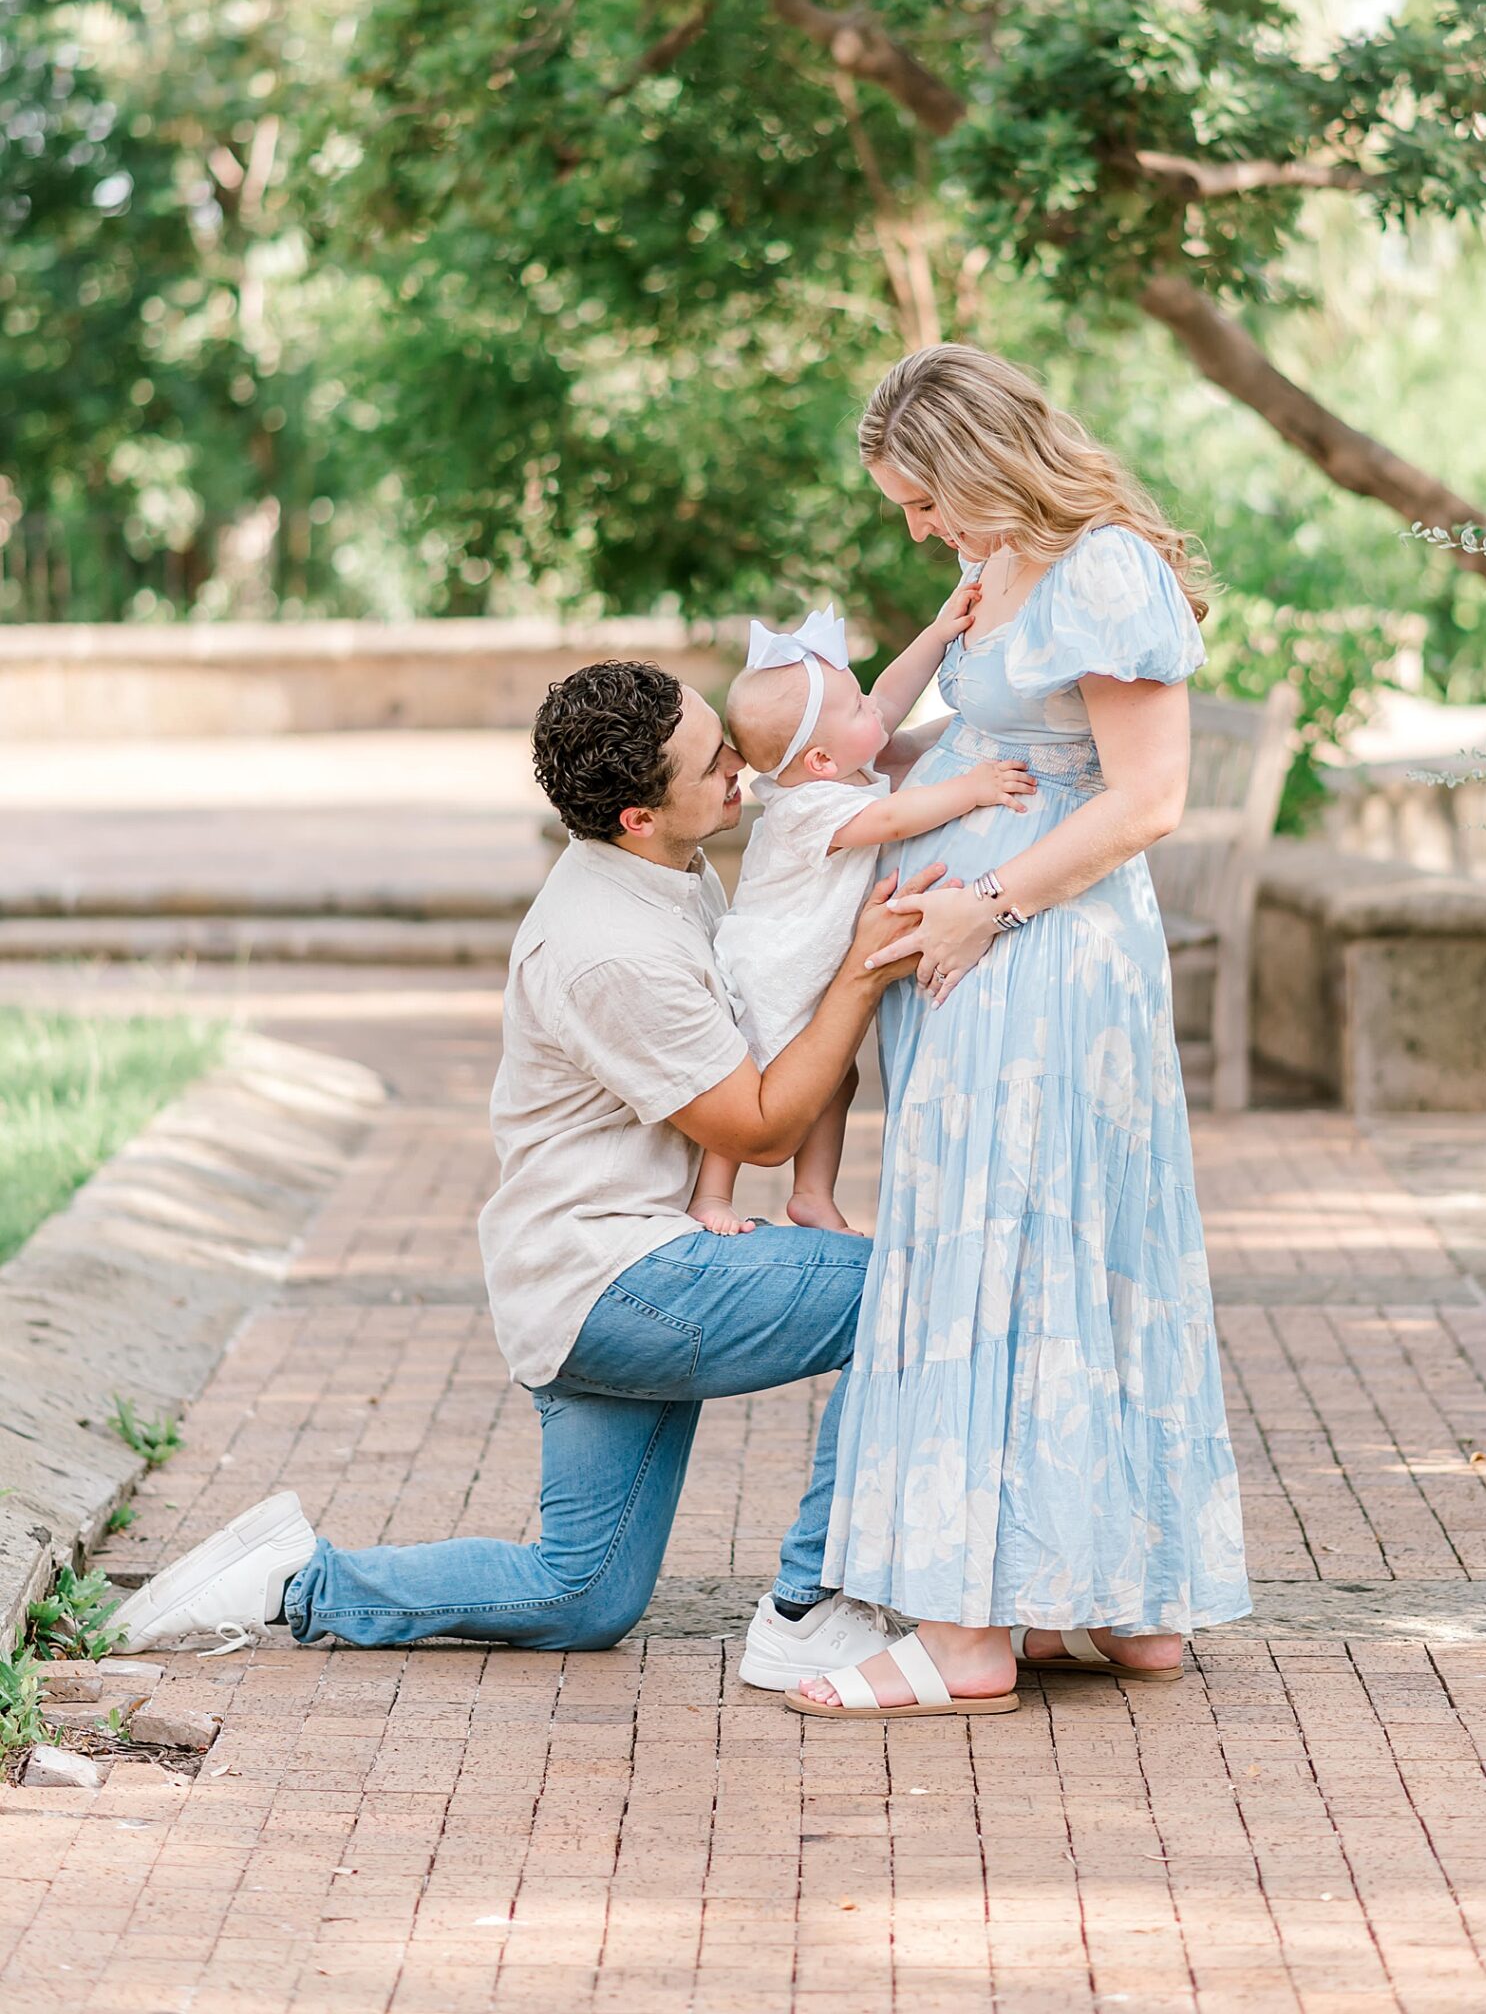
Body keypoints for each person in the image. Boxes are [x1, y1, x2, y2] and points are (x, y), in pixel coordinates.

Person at [110, 660, 932, 1692]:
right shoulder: (610, 948)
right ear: (638, 815)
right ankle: (813, 1607)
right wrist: (862, 968)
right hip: (617, 1281)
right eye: (712, 761)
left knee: (578, 1597)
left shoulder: (666, 866)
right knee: (909, 1287)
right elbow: (762, 1128)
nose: (740, 764)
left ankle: (293, 1578)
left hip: (578, 1275)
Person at [789, 344, 1252, 1722]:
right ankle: (1104, 1601)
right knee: (1047, 1246)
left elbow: (1146, 798)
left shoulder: (1102, 569)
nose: (917, 529)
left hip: (1040, 957)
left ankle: (963, 1640)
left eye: (923, 500)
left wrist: (981, 907)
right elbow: (950, 738)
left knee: (1005, 1248)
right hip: (988, 954)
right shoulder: (1000, 566)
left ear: (983, 466)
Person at [691, 596, 1034, 1236]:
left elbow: (889, 698)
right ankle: (712, 1194)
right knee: (750, 1075)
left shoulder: (838, 765)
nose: (872, 709)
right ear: (820, 760)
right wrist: (973, 788)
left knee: (833, 1079)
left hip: (812, 964)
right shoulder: (804, 808)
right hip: (773, 965)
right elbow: (892, 819)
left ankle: (811, 1196)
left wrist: (936, 634)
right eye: (855, 708)